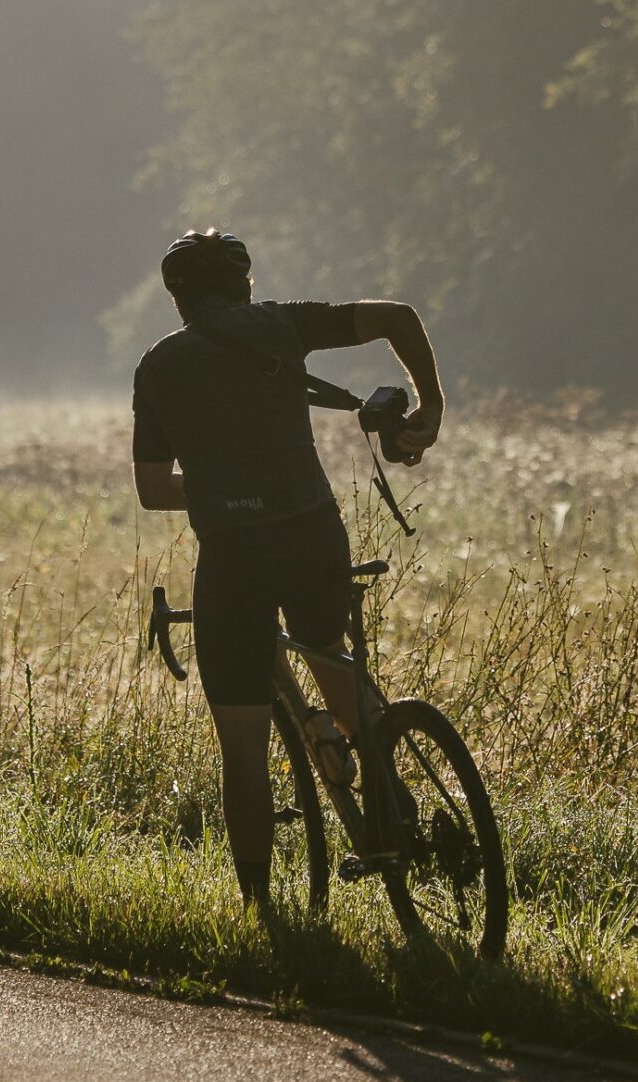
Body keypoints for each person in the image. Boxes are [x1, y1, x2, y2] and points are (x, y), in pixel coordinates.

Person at [129, 230, 445, 908]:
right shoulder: (281, 322)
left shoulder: (160, 366)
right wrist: (432, 407)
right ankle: (393, 809)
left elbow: (154, 489)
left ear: (177, 298)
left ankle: (259, 913)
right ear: (244, 284)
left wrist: (218, 485)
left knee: (242, 748)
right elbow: (397, 316)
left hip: (233, 554)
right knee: (329, 655)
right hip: (309, 531)